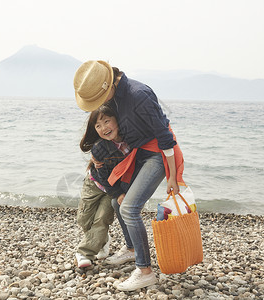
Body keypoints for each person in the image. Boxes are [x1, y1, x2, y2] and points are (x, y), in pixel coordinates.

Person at [74, 60, 185, 291]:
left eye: (98, 99)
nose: (99, 104)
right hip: (138, 154)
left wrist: (172, 176)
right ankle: (131, 249)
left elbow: (165, 137)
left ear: (106, 87)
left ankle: (145, 271)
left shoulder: (139, 95)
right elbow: (112, 130)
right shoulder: (114, 96)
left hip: (156, 154)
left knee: (129, 208)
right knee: (117, 200)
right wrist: (98, 154)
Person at [75, 104, 132, 268]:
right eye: (98, 125)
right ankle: (103, 240)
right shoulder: (99, 148)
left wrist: (118, 194)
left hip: (112, 190)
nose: (104, 128)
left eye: (107, 121)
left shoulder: (130, 142)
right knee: (83, 219)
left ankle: (84, 254)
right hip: (94, 183)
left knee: (101, 220)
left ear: (117, 120)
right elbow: (103, 176)